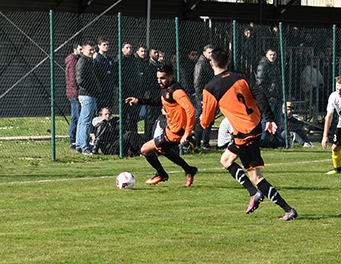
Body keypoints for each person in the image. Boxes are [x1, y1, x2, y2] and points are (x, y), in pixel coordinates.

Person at [201, 48, 297, 221]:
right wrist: (269, 118)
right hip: (252, 127)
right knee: (226, 160)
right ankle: (253, 193)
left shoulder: (210, 88)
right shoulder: (240, 76)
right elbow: (259, 93)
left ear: (211, 64)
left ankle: (288, 210)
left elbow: (206, 122)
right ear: (228, 62)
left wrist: (201, 118)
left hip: (245, 134)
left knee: (256, 176)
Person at [125, 62, 198, 187]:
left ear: (171, 77)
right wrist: (139, 101)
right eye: (158, 78)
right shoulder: (166, 89)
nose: (159, 81)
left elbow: (191, 110)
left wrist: (186, 133)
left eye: (162, 78)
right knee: (164, 149)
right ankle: (189, 169)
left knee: (145, 150)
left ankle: (161, 173)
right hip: (170, 130)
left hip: (176, 133)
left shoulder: (176, 91)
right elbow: (160, 100)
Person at [75, 41, 101, 155]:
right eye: (90, 50)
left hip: (89, 94)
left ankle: (79, 145)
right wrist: (91, 89)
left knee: (82, 121)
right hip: (87, 95)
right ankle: (84, 147)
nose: (92, 52)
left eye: (93, 50)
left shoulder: (89, 62)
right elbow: (80, 79)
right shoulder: (83, 62)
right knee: (86, 122)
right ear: (84, 50)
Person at [193, 45, 215, 150]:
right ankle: (197, 142)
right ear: (204, 53)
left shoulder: (209, 64)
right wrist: (200, 98)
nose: (211, 54)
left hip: (210, 95)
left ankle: (205, 143)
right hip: (203, 96)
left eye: (212, 52)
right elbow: (197, 82)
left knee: (209, 119)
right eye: (209, 52)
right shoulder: (201, 64)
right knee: (202, 119)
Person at [65, 43, 82, 150]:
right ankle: (72, 139)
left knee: (78, 116)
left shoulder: (77, 60)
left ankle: (76, 138)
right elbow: (72, 80)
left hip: (76, 93)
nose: (81, 51)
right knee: (75, 116)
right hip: (74, 94)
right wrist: (76, 94)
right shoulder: (72, 61)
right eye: (80, 49)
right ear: (75, 49)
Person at [94, 37, 117, 110]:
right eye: (104, 45)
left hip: (109, 87)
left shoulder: (109, 59)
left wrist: (110, 73)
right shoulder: (97, 58)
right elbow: (98, 71)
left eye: (107, 45)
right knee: (101, 108)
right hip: (101, 87)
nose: (106, 46)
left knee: (109, 107)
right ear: (99, 46)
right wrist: (106, 72)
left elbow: (113, 72)